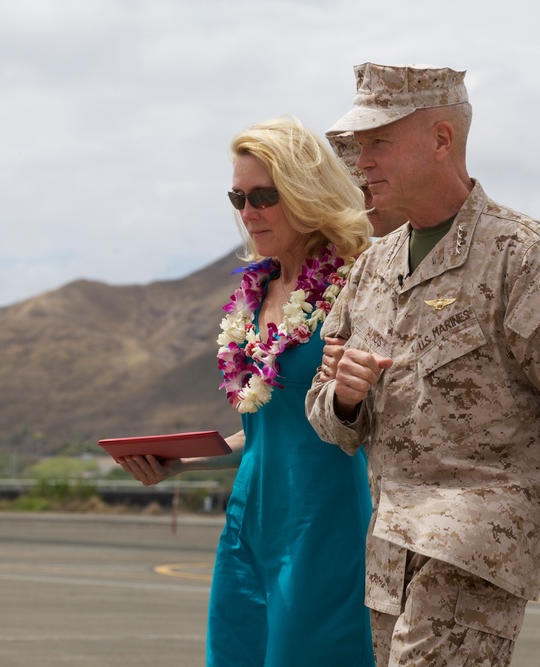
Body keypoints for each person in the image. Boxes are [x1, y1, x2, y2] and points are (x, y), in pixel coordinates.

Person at [305, 63, 540, 666]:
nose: (362, 162)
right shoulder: (371, 267)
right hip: (391, 551)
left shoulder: (522, 256)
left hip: (475, 550)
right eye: (357, 147)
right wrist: (345, 397)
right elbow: (328, 418)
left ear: (442, 140)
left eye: (379, 141)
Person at [118, 115, 376, 666]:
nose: (248, 212)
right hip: (248, 530)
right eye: (237, 197)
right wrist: (179, 463)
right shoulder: (256, 294)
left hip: (324, 526)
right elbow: (267, 434)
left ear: (307, 192)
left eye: (264, 195)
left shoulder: (358, 284)